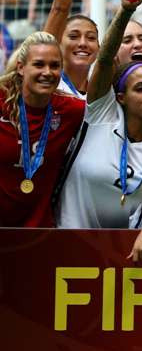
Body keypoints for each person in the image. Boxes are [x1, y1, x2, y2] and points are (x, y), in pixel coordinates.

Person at [57, 0, 142, 264]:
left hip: (120, 253)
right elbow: (103, 60)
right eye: (140, 89)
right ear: (120, 98)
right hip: (63, 243)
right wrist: (126, 10)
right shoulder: (101, 113)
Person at [0, 31, 86, 226]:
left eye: (55, 66)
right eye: (39, 64)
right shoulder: (1, 101)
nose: (47, 72)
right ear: (21, 68)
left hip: (39, 232)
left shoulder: (72, 110)